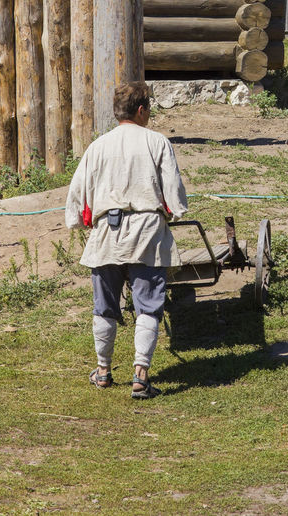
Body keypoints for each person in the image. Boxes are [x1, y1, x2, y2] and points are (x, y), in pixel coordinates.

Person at [65, 81, 188, 399]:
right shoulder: (156, 142)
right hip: (147, 231)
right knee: (148, 305)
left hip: (108, 232)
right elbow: (173, 192)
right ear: (142, 110)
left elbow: (77, 191)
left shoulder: (99, 146)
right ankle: (140, 376)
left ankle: (103, 372)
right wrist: (174, 212)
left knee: (104, 306)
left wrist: (78, 222)